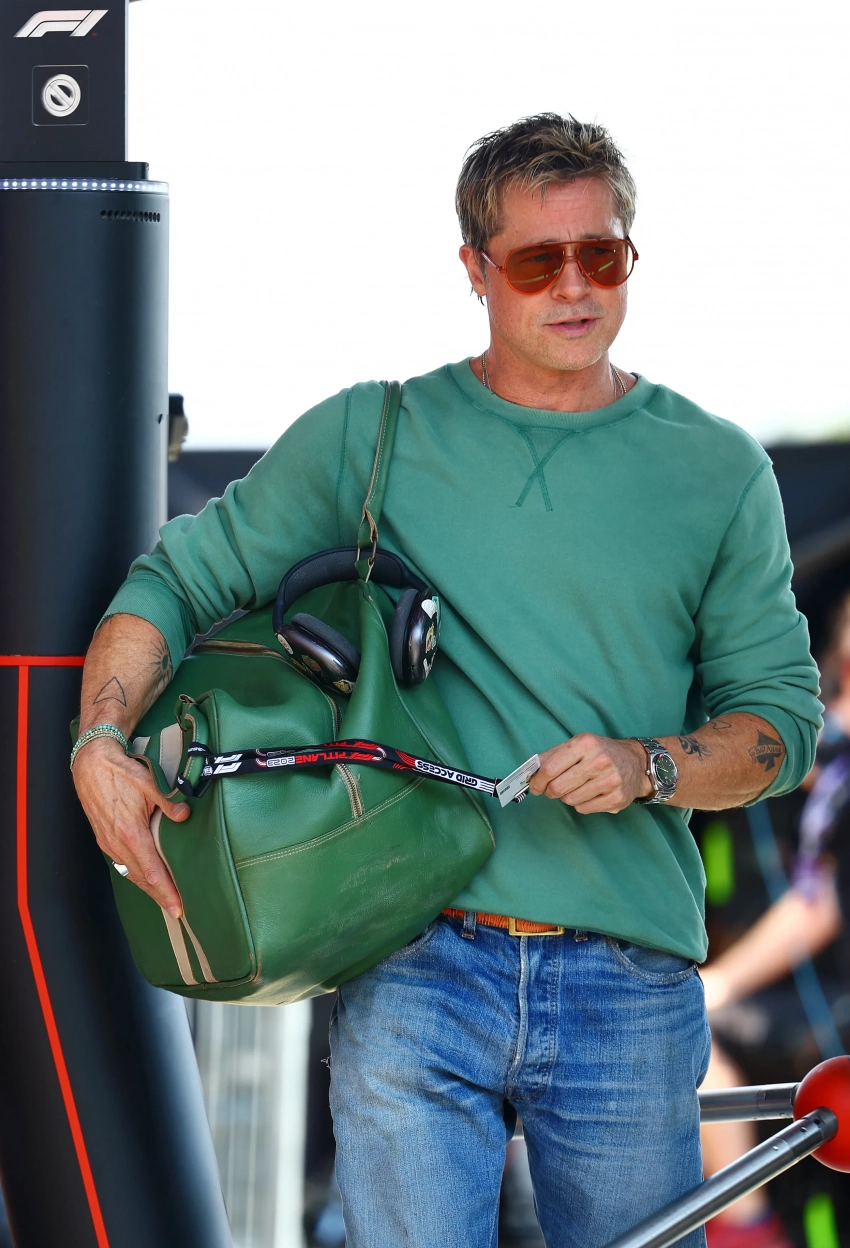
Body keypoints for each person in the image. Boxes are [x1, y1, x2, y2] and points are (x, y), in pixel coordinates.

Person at [71, 114, 822, 1248]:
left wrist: (650, 765)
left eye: (601, 254)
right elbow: (172, 583)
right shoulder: (372, 436)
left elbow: (780, 729)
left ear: (630, 255)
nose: (574, 285)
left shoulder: (717, 471)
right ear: (474, 268)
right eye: (536, 261)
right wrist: (99, 740)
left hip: (629, 979)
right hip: (412, 955)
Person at [698, 592, 850, 1248]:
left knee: (686, 1032)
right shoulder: (821, 764)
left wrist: (718, 985)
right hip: (800, 994)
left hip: (830, 1003)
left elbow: (817, 906)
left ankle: (745, 1231)